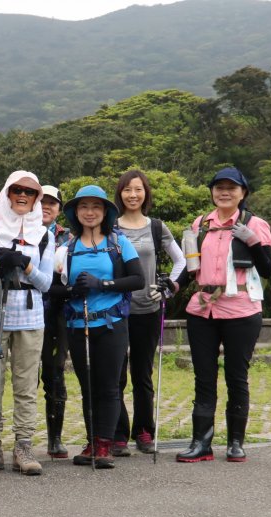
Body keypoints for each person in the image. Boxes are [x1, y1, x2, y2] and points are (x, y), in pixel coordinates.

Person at [174, 167, 271, 463]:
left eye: (231, 187)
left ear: (243, 192)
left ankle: (235, 443)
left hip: (242, 309)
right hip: (203, 308)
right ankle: (201, 443)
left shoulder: (256, 224)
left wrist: (252, 241)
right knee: (204, 377)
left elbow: (267, 269)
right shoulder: (201, 223)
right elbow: (190, 265)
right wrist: (172, 284)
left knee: (236, 376)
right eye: (219, 187)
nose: (224, 192)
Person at [52, 185, 143, 469]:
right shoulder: (65, 248)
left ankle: (105, 443)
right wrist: (71, 290)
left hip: (112, 324)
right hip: (78, 325)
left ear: (105, 212)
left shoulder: (119, 243)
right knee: (87, 384)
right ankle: (92, 440)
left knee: (108, 386)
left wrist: (102, 284)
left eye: (96, 207)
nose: (89, 212)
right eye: (83, 207)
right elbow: (53, 289)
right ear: (75, 213)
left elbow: (137, 280)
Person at [0, 171, 54, 475]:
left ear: (36, 199)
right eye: (16, 190)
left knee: (26, 384)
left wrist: (26, 264)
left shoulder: (44, 235)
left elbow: (46, 283)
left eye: (29, 192)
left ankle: (24, 446)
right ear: (7, 193)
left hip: (30, 318)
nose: (22, 195)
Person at [113, 170, 186, 456]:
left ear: (146, 193)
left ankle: (144, 431)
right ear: (119, 194)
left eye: (138, 189)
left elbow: (181, 261)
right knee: (116, 375)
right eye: (127, 190)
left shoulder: (156, 227)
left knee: (142, 374)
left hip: (148, 309)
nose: (133, 195)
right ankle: (118, 433)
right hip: (116, 309)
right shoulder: (111, 228)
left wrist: (169, 287)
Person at [38, 185, 71, 458]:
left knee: (55, 374)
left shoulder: (69, 238)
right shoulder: (16, 231)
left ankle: (55, 438)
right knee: (21, 378)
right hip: (21, 312)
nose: (45, 207)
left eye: (52, 203)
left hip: (57, 313)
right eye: (41, 201)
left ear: (59, 208)